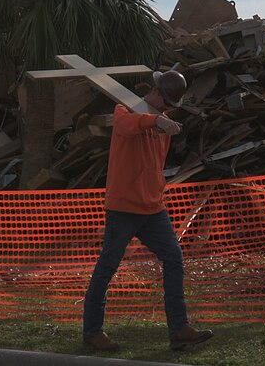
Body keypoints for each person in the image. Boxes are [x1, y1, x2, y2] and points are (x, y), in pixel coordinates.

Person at [81, 69, 214, 353]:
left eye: (169, 107)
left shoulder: (162, 123)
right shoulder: (123, 110)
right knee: (107, 267)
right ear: (155, 93)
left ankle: (179, 330)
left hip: (153, 209)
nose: (166, 109)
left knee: (174, 258)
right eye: (165, 103)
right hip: (123, 208)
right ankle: (92, 331)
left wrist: (161, 123)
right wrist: (156, 120)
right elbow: (127, 127)